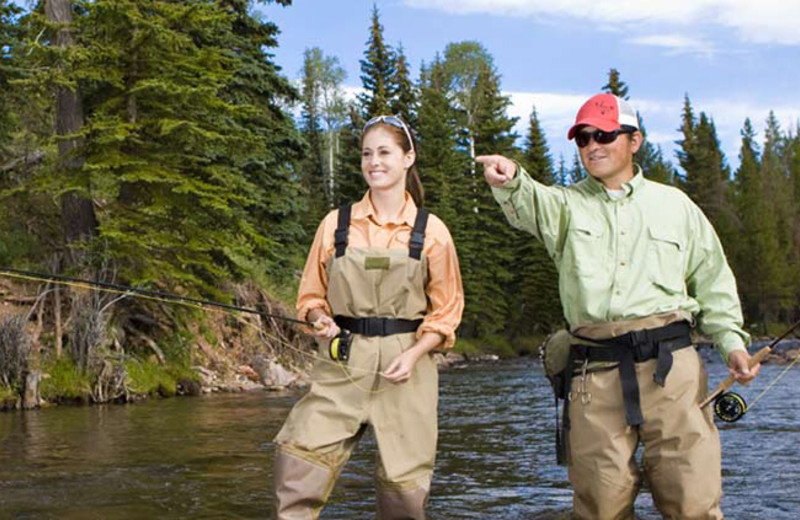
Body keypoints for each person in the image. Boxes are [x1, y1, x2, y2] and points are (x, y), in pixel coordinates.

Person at [478, 93, 759, 519]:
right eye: (583, 138)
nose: (592, 145)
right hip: (595, 373)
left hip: (674, 371)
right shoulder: (565, 206)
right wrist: (511, 179)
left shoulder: (677, 205)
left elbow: (714, 283)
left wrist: (732, 346)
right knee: (600, 507)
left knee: (693, 502)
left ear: (634, 140)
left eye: (604, 135)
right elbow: (529, 201)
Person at [272, 115, 464, 519]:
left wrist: (414, 354)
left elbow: (446, 313)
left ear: (408, 158)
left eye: (385, 152)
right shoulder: (334, 224)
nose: (374, 162)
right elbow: (310, 296)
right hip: (343, 358)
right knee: (298, 456)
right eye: (366, 153)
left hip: (407, 364)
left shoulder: (432, 232)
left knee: (404, 485)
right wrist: (320, 318)